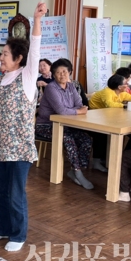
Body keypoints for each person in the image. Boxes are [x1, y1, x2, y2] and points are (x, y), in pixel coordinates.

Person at [0, 2, 47, 252]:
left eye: (6, 54)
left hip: (19, 148)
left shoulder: (28, 76)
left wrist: (37, 20)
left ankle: (19, 235)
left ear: (18, 59)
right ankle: (3, 229)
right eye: (1, 54)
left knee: (15, 192)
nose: (1, 57)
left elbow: (36, 50)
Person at [35, 59, 94, 189]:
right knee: (68, 138)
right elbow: (61, 111)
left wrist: (77, 110)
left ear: (70, 72)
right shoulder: (51, 88)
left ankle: (75, 170)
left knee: (85, 139)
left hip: (66, 125)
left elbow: (79, 104)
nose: (62, 75)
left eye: (65, 72)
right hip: (46, 126)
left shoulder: (71, 86)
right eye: (58, 72)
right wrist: (78, 111)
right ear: (53, 75)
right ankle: (78, 173)